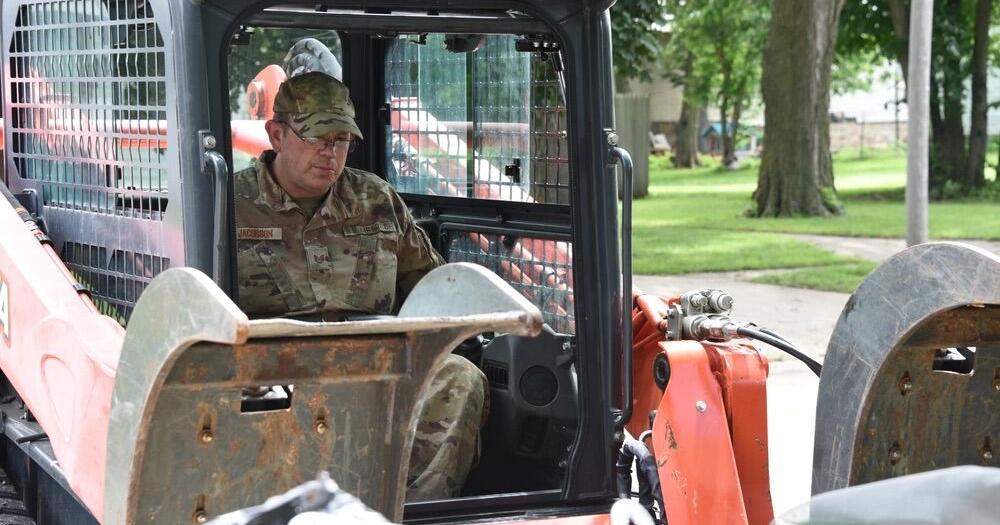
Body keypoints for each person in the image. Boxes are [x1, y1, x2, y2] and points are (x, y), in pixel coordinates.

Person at [234, 71, 487, 501]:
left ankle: (408, 509)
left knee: (459, 377)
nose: (330, 153)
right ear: (276, 134)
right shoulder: (228, 203)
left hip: (374, 363)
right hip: (271, 368)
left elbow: (431, 283)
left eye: (341, 140)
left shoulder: (376, 200)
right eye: (317, 137)